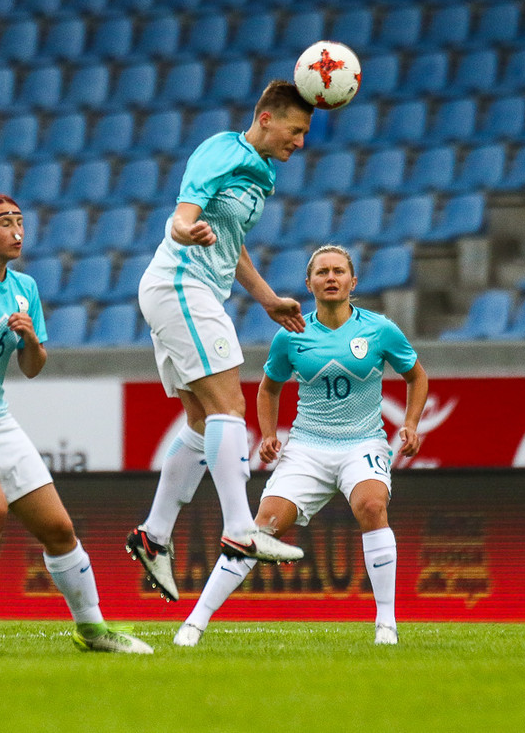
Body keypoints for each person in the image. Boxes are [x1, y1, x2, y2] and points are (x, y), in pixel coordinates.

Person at [0, 193, 153, 655]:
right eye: (5, 223)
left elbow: (32, 367)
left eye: (20, 222)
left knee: (59, 529)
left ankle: (93, 631)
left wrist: (30, 340)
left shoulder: (25, 287)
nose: (18, 232)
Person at [173, 244, 429, 646]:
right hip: (308, 448)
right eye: (322, 272)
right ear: (309, 283)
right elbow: (268, 388)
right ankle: (194, 622)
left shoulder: (379, 330)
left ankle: (386, 624)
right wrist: (269, 434)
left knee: (372, 506)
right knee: (259, 529)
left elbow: (417, 376)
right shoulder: (291, 334)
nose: (331, 278)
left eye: (339, 271)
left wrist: (411, 424)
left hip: (362, 443)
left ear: (353, 281)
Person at [127, 80, 311, 603]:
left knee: (201, 420)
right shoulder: (221, 151)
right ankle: (240, 528)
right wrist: (186, 230)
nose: (300, 142)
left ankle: (153, 536)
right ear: (266, 118)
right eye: (296, 130)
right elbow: (182, 217)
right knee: (230, 407)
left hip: (189, 290)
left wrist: (267, 299)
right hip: (181, 284)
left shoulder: (263, 171)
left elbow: (233, 243)